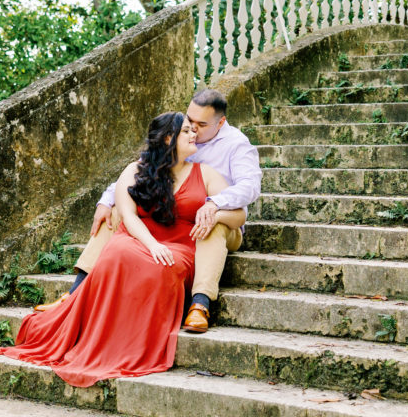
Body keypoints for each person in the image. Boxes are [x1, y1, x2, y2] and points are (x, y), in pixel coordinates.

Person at [0, 112, 245, 387]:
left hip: (185, 245)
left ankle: (199, 304)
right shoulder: (135, 171)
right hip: (145, 239)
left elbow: (239, 216)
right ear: (168, 139)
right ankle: (77, 293)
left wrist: (213, 212)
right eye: (186, 131)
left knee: (162, 256)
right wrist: (152, 245)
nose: (194, 134)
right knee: (117, 242)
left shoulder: (205, 173)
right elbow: (128, 215)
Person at [35, 89, 261, 333]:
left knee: (209, 223)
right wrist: (105, 201)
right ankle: (75, 293)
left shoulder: (236, 145)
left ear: (221, 123)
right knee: (113, 213)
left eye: (201, 124)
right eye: (189, 121)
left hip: (221, 220)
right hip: (171, 216)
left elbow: (249, 187)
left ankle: (200, 304)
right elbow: (141, 172)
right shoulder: (179, 137)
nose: (193, 129)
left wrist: (214, 204)